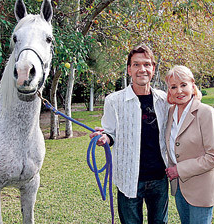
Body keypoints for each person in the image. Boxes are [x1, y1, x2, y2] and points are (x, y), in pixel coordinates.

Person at [90, 44, 171, 223]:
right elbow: (110, 133)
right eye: (136, 65)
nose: (142, 69)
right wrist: (104, 138)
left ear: (153, 68)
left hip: (159, 178)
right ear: (129, 69)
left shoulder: (165, 100)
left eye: (147, 64)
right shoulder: (114, 101)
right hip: (128, 177)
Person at [164, 65, 214, 224]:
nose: (179, 91)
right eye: (173, 87)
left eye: (183, 85)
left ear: (192, 84)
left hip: (201, 190)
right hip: (180, 190)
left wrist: (179, 170)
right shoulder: (170, 112)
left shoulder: (206, 112)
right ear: (169, 90)